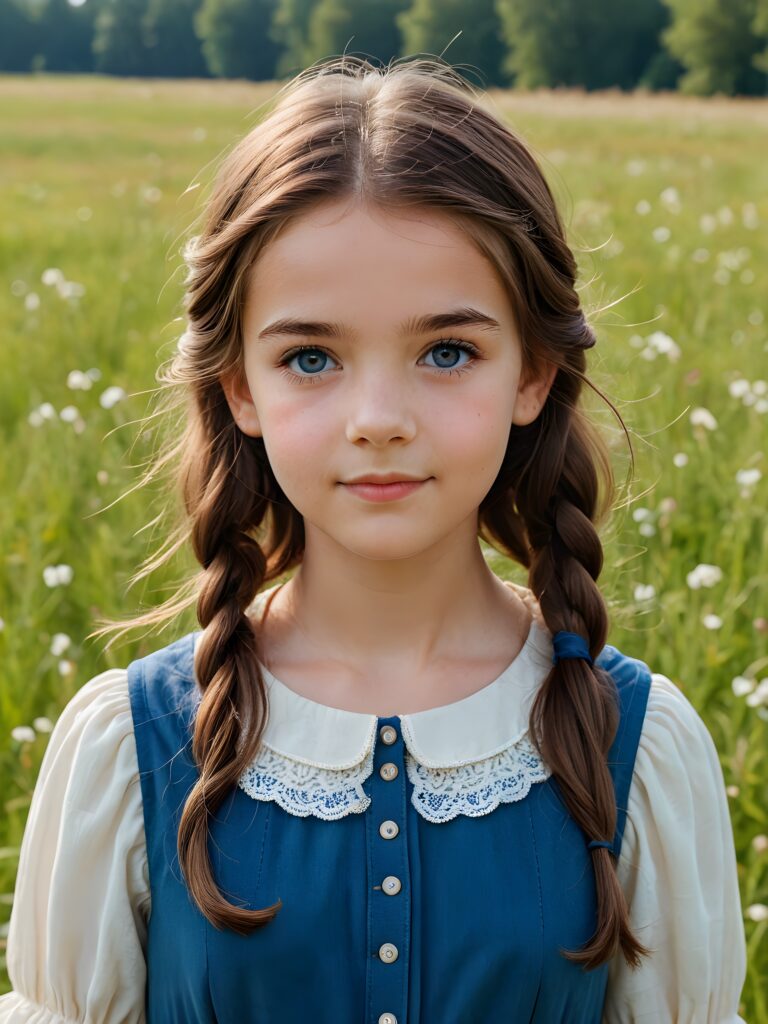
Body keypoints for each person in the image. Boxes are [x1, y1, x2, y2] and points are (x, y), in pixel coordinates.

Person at [0, 55, 747, 1023]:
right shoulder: (129, 748)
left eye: (447, 352)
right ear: (239, 388)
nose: (378, 417)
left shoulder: (636, 749)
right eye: (311, 356)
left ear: (533, 373)